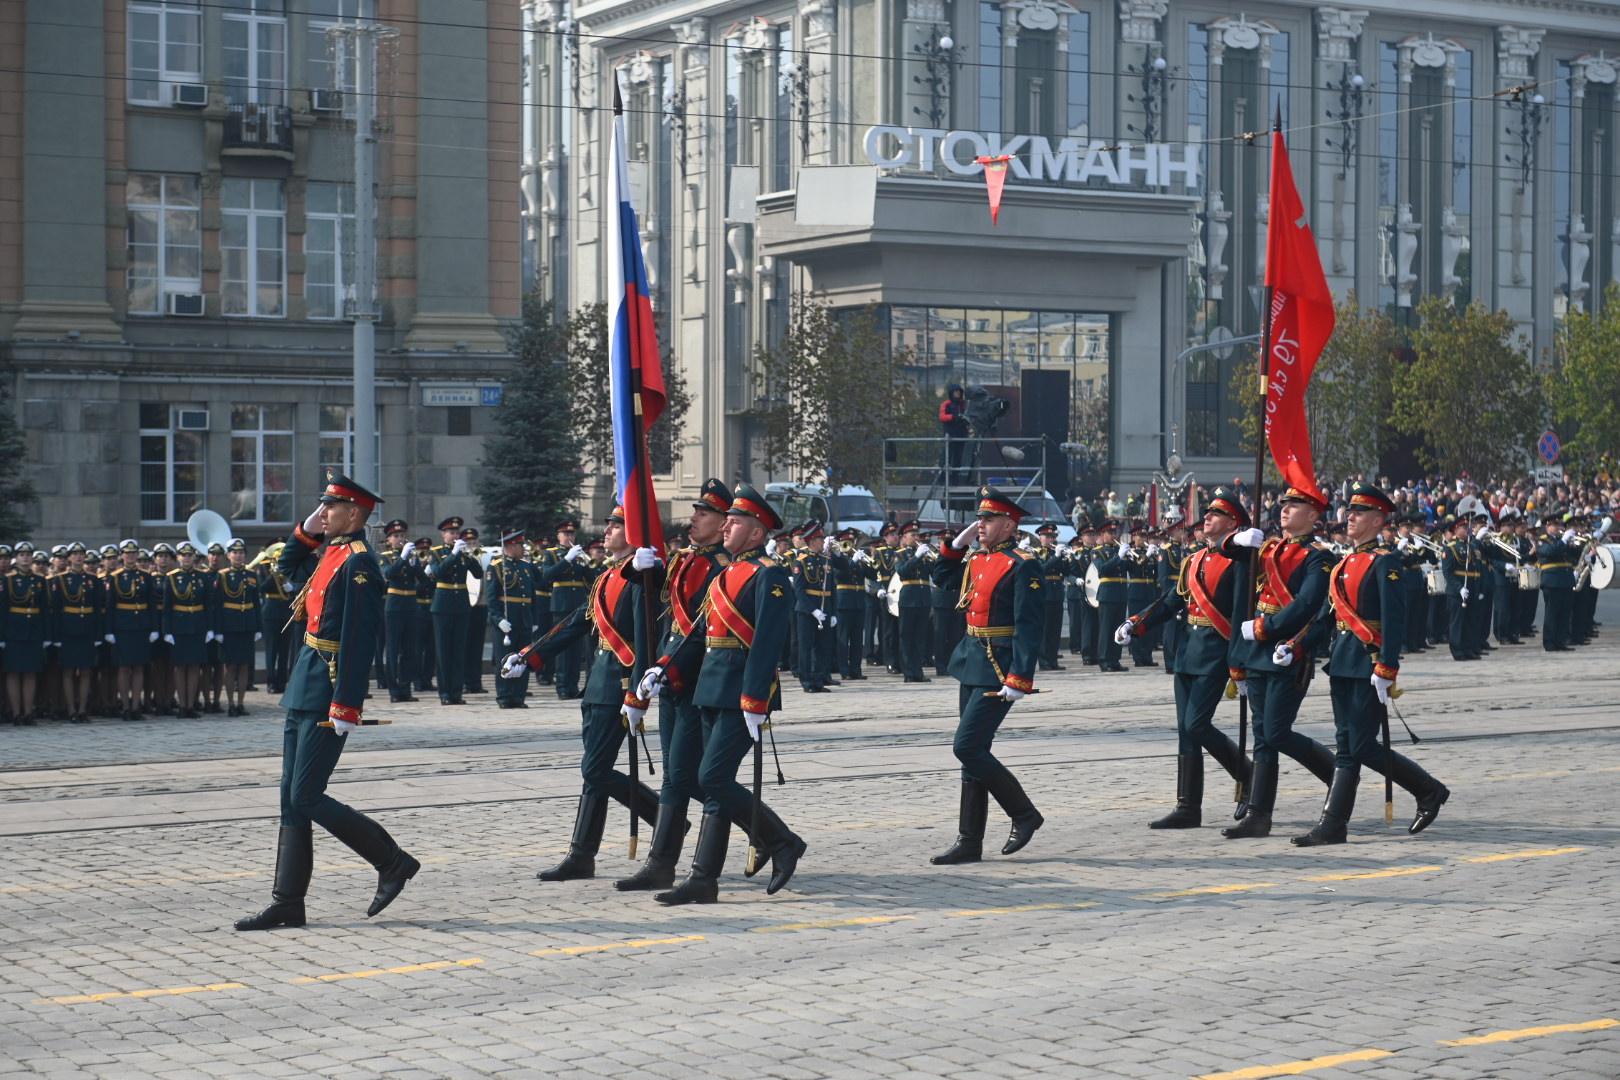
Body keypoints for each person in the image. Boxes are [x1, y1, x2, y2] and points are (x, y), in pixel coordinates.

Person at [235, 476, 419, 931]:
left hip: (329, 688)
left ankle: (392, 861)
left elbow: (360, 641)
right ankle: (288, 901)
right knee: (290, 800)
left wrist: (347, 703)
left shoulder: (359, 565)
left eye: (331, 507)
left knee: (306, 794)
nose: (325, 512)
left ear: (354, 514)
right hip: (305, 684)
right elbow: (287, 566)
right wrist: (306, 530)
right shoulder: (331, 552)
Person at [639, 483, 805, 904]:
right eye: (727, 520)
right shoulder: (726, 574)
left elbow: (767, 642)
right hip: (709, 688)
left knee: (712, 777)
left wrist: (754, 699)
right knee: (706, 779)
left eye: (736, 522)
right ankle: (703, 879)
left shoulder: (770, 575)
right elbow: (697, 634)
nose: (727, 527)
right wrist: (664, 667)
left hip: (740, 693)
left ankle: (782, 841)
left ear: (755, 533)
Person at [504, 507, 661, 882]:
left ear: (634, 532)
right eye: (608, 523)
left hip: (621, 687)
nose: (607, 529)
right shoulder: (607, 576)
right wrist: (531, 655)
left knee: (594, 769)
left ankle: (664, 819)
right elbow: (577, 622)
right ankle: (582, 855)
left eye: (617, 524)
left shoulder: (643, 579)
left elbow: (646, 638)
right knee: (595, 773)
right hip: (597, 682)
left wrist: (638, 695)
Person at [1292, 482, 1449, 847]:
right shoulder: (1345, 562)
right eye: (1350, 511)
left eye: (1359, 512)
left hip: (1368, 662)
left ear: (1378, 519)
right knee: (1348, 743)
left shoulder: (1386, 563)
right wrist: (1296, 644)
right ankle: (1423, 793)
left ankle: (1422, 792)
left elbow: (1395, 620)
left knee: (1357, 746)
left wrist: (1388, 667)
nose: (1350, 516)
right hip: (1343, 662)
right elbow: (1330, 616)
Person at [615, 479, 734, 891]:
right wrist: (641, 565)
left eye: (705, 513)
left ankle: (662, 863)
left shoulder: (721, 567)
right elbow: (657, 597)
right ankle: (772, 836)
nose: (695, 517)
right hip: (668, 678)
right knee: (680, 774)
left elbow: (702, 633)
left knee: (684, 775)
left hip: (696, 680)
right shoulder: (684, 560)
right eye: (696, 510)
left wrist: (667, 668)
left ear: (724, 524)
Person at [1117, 487, 1253, 829]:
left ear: (1233, 523)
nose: (1206, 518)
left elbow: (1240, 615)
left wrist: (1239, 661)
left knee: (1196, 724)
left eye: (1215, 514)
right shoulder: (1194, 560)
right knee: (1185, 730)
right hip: (1188, 652)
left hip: (1217, 651)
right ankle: (1188, 806)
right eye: (1206, 513)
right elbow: (1171, 602)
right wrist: (1137, 623)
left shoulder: (1241, 563)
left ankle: (1248, 774)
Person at [928, 485, 1045, 865]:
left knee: (967, 746)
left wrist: (1020, 677)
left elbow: (1030, 626)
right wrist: (953, 548)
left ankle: (1024, 813)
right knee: (972, 754)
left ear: (1010, 525)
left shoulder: (1023, 564)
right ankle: (969, 840)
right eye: (980, 518)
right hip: (970, 660)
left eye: (989, 519)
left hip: (998, 666)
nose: (981, 524)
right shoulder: (977, 559)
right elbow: (943, 579)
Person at [1220, 487, 1338, 839]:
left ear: (1314, 516)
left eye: (1295, 505)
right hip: (1257, 653)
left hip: (1286, 650)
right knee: (1262, 737)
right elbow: (1227, 556)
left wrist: (1265, 628)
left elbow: (1306, 604)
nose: (1286, 510)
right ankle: (1259, 814)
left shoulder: (1320, 556)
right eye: (1284, 504)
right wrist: (1236, 540)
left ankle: (1337, 773)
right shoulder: (1268, 548)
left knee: (1275, 731)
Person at [428, 516, 480, 706]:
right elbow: (437, 572)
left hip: (461, 605)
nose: (455, 536)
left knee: (459, 650)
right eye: (451, 532)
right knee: (443, 651)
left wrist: (469, 556)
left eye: (457, 533)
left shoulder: (464, 554)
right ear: (443, 535)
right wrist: (453, 556)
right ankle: (445, 693)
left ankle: (456, 692)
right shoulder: (435, 552)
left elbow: (478, 574)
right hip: (442, 605)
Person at [486, 529, 540, 710]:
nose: (523, 548)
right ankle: (504, 695)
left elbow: (532, 595)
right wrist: (498, 619)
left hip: (524, 619)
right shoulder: (496, 566)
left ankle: (519, 695)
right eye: (519, 545)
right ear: (510, 546)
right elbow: (492, 599)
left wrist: (534, 619)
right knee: (505, 658)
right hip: (506, 622)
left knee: (522, 658)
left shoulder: (526, 567)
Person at [104, 539, 157, 722]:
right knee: (124, 668)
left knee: (139, 667)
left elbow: (151, 604)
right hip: (122, 627)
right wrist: (109, 630)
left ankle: (136, 706)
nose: (131, 556)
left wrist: (154, 628)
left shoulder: (145, 576)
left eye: (134, 553)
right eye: (127, 553)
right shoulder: (115, 577)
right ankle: (125, 706)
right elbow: (110, 606)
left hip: (141, 626)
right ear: (122, 556)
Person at [538, 520, 591, 699]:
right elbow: (547, 576)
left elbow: (590, 578)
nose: (569, 537)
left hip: (578, 603)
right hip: (561, 604)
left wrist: (586, 562)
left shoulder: (579, 554)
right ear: (558, 536)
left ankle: (572, 686)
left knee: (576, 648)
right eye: (565, 534)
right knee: (562, 645)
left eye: (572, 534)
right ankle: (562, 686)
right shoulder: (551, 554)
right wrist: (567, 559)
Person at [50, 542, 100, 725]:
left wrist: (97, 635)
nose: (79, 557)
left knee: (86, 671)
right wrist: (56, 636)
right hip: (67, 630)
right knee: (68, 671)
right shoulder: (60, 580)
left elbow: (96, 609)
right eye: (75, 554)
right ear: (69, 557)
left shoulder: (93, 580)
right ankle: (71, 709)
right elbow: (55, 610)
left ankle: (82, 709)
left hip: (87, 628)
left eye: (81, 553)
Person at [212, 538, 261, 717]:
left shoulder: (251, 575)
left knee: (244, 666)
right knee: (230, 666)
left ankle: (241, 703)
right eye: (235, 552)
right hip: (229, 626)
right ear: (228, 555)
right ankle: (231, 703)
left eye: (241, 553)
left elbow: (256, 603)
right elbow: (217, 605)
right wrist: (217, 630)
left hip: (247, 624)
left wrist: (258, 627)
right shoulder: (223, 575)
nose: (238, 556)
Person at [164, 542, 210, 718]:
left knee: (194, 667)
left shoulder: (202, 577)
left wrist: (209, 628)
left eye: (190, 555)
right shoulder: (172, 577)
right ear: (179, 558)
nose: (187, 558)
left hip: (198, 626)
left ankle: (190, 705)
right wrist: (167, 631)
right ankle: (182, 705)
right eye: (184, 555)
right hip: (179, 627)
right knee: (180, 667)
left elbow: (208, 605)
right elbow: (167, 608)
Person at [790, 520, 837, 692]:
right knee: (806, 647)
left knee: (822, 647)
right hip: (806, 610)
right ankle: (807, 681)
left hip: (825, 608)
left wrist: (832, 613)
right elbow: (800, 591)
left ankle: (819, 679)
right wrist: (813, 610)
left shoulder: (826, 560)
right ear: (811, 541)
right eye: (820, 539)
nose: (822, 542)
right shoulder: (800, 561)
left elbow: (832, 589)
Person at [2, 548, 48, 725]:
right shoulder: (8, 580)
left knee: (30, 672)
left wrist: (46, 634)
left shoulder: (39, 580)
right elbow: (3, 609)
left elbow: (44, 609)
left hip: (34, 630)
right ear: (16, 558)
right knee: (13, 672)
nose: (26, 559)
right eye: (22, 555)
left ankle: (28, 712)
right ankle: (16, 713)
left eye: (29, 555)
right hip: (13, 631)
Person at [379, 519, 421, 702]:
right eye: (396, 536)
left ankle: (406, 689)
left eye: (402, 535)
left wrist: (414, 564)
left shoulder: (412, 557)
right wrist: (403, 558)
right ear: (388, 540)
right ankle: (394, 691)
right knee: (393, 649)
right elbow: (388, 574)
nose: (400, 539)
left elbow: (424, 581)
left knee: (409, 650)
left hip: (410, 604)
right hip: (394, 605)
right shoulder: (385, 556)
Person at [1537, 517, 1578, 651]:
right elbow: (1549, 552)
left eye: (1559, 524)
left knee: (1565, 613)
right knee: (1552, 613)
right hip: (1552, 581)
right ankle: (1549, 642)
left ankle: (1561, 641)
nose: (1558, 527)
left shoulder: (1561, 541)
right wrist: (1564, 541)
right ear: (1547, 526)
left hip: (1566, 580)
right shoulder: (1542, 540)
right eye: (1555, 525)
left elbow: (1573, 556)